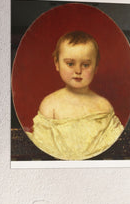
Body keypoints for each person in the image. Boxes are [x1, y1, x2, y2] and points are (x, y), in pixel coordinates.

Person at [27, 31, 124, 160]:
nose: (78, 71)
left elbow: (114, 146)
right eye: (70, 64)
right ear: (57, 63)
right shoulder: (50, 105)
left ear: (96, 67)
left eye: (85, 65)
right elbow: (42, 146)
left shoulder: (103, 106)